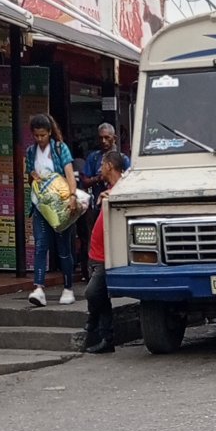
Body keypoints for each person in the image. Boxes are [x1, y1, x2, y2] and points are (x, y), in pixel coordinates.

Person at [25, 114, 78, 307]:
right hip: (40, 205)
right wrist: (34, 177)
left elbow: (70, 173)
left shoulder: (59, 148)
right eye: (36, 135)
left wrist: (72, 197)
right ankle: (38, 288)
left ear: (49, 132)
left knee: (63, 248)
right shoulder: (31, 152)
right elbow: (30, 175)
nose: (39, 139)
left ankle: (68, 287)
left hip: (60, 204)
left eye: (43, 135)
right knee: (40, 245)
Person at [84, 150, 125, 354]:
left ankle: (92, 324)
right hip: (96, 254)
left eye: (102, 164)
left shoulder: (122, 189)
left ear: (109, 166)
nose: (100, 168)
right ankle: (105, 338)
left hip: (104, 257)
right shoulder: (109, 190)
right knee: (101, 297)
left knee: (92, 293)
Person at [81, 123, 130, 219]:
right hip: (97, 205)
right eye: (101, 138)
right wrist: (98, 178)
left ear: (114, 138)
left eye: (107, 137)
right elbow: (84, 182)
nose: (104, 141)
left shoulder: (123, 158)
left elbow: (130, 181)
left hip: (117, 204)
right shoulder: (93, 158)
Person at [72, 143, 90, 281]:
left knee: (76, 237)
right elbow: (85, 182)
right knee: (86, 238)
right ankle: (86, 270)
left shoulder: (69, 165)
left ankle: (80, 268)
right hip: (83, 204)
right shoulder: (83, 163)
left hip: (71, 204)